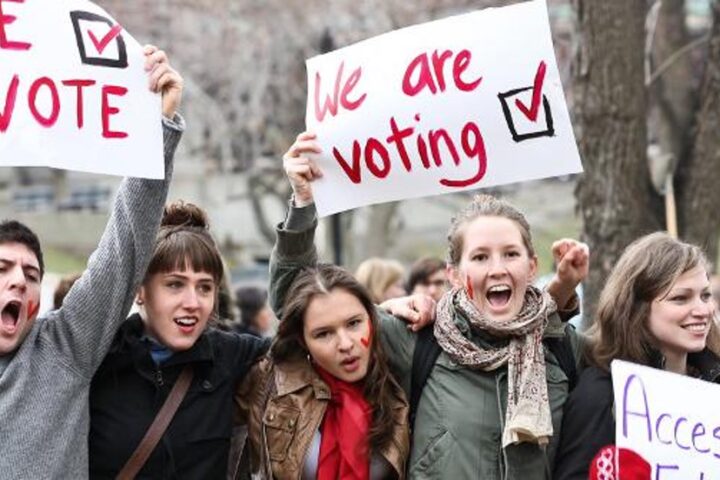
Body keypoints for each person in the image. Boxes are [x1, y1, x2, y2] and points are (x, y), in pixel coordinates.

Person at [267, 131, 590, 479]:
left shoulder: (563, 349)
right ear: (453, 274)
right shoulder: (419, 339)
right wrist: (302, 202)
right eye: (479, 257)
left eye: (510, 254)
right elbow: (296, 296)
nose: (497, 268)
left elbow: (630, 350)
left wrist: (563, 290)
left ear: (530, 267)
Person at [0, 46, 184, 478]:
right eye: (1, 270)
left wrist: (157, 127)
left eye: (31, 275)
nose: (18, 283)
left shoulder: (61, 349)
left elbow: (124, 248)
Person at [89, 201, 270, 478]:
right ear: (139, 290)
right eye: (175, 284)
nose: (192, 302)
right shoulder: (97, 358)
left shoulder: (230, 355)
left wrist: (301, 211)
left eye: (205, 287)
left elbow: (301, 337)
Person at [553, 232, 720, 480]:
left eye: (705, 295)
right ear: (636, 309)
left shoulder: (714, 385)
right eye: (680, 298)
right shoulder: (602, 396)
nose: (703, 310)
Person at [234, 263, 410, 479]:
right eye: (324, 334)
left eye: (354, 323)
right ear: (303, 340)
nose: (345, 344)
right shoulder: (270, 382)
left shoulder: (401, 372)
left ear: (372, 318)